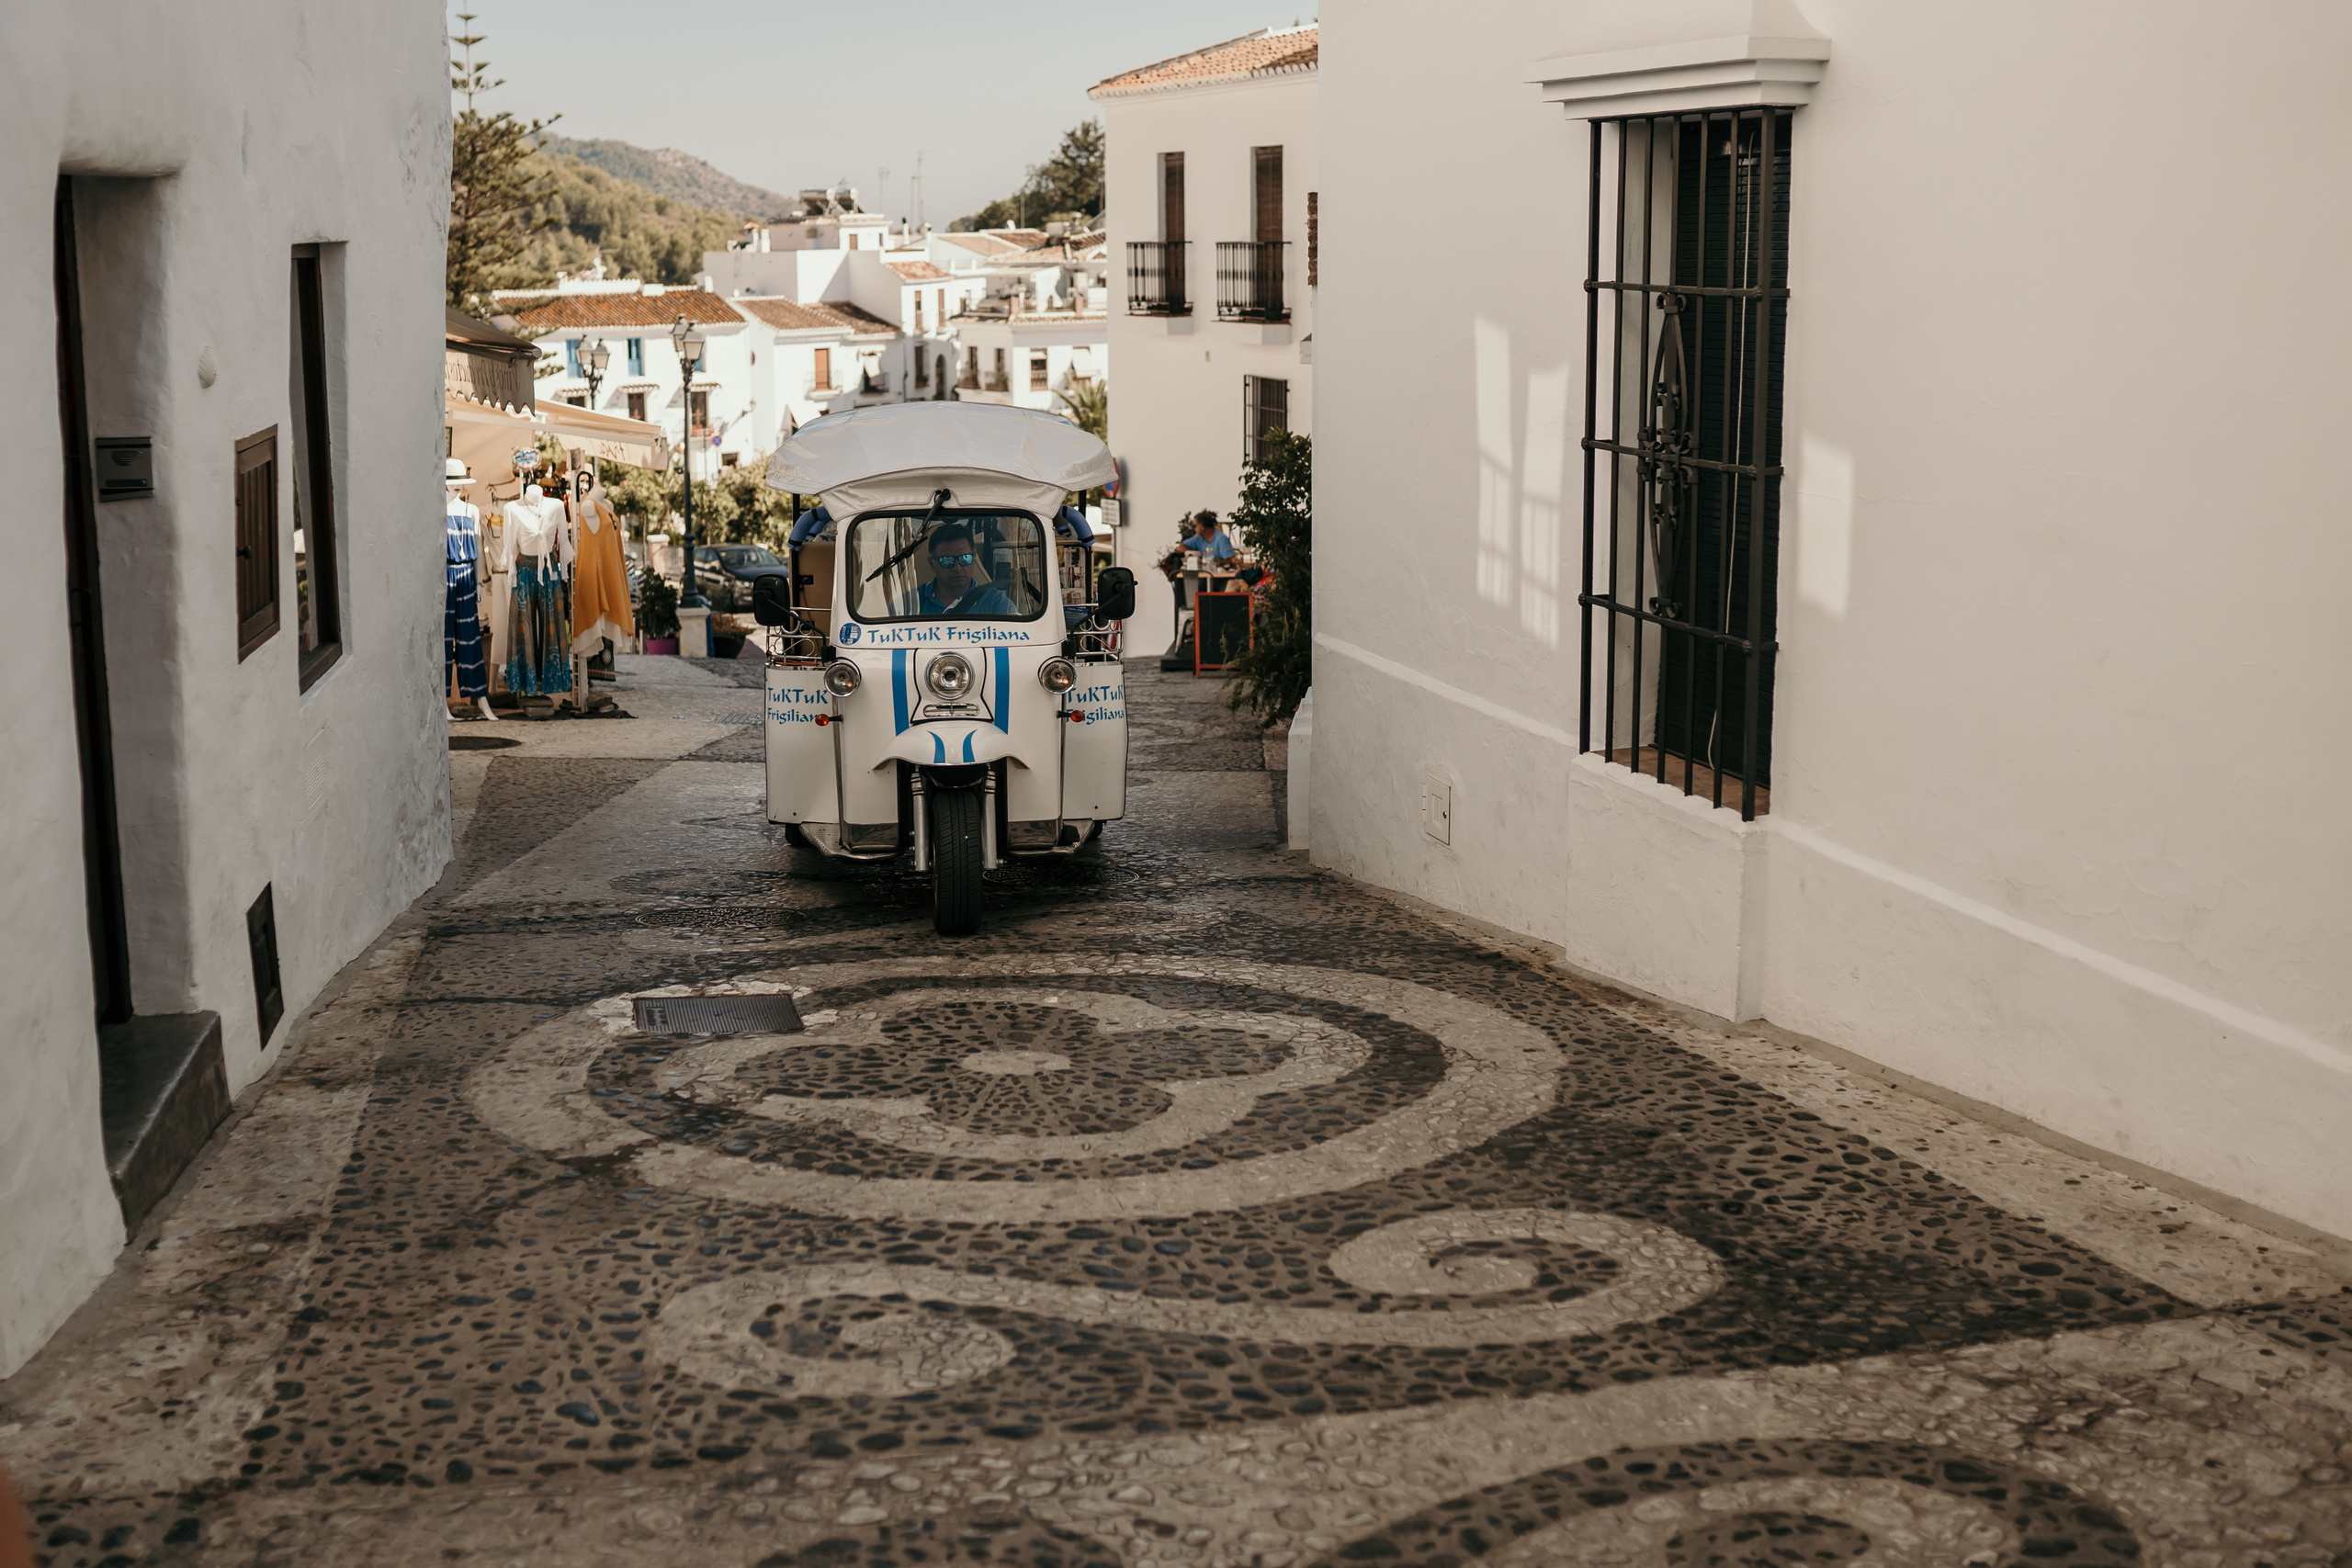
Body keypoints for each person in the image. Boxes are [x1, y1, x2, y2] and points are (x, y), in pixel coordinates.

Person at [918, 522, 1016, 616]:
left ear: (974, 558)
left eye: (965, 558)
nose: (957, 568)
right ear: (932, 563)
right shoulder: (913, 601)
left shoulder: (996, 603)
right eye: (947, 561)